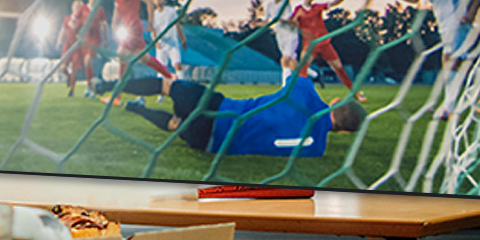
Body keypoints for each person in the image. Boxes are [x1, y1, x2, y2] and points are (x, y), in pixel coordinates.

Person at [121, 76, 366, 158]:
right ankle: (138, 109)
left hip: (220, 110)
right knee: (177, 125)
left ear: (335, 101)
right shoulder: (317, 149)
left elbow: (292, 70)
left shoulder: (306, 91)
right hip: (212, 144)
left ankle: (112, 85)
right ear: (344, 132)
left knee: (168, 85)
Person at [389, 0, 480, 120]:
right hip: (442, 21)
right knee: (459, 61)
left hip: (458, 20)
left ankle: (449, 107)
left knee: (449, 61)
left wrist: (471, 13)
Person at [288, 0, 366, 100]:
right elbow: (292, 24)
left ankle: (355, 94)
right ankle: (300, 96)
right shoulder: (299, 10)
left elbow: (334, 3)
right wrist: (291, 21)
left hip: (324, 43)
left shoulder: (317, 7)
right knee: (303, 69)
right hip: (309, 45)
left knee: (339, 69)